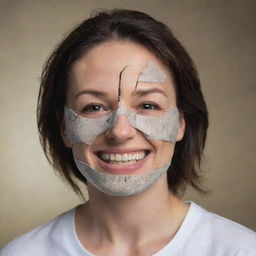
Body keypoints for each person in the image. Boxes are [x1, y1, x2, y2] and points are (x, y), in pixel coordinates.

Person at [1, 9, 255, 256]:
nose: (120, 131)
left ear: (180, 123)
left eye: (147, 105)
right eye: (94, 107)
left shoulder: (241, 249)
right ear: (64, 128)